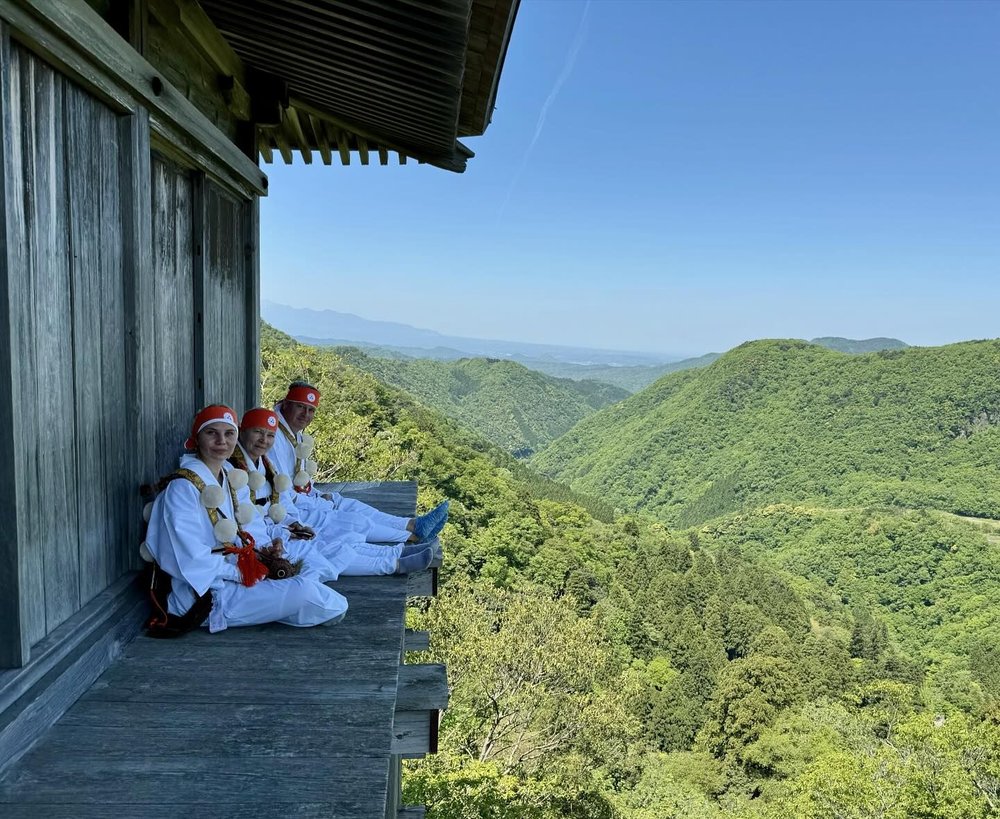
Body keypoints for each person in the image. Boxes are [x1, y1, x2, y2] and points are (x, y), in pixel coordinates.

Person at [143, 404, 349, 634]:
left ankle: (283, 607)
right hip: (205, 595)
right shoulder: (182, 488)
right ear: (196, 438)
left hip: (232, 575)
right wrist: (243, 573)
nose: (222, 441)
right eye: (211, 433)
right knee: (309, 593)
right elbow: (189, 557)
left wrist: (264, 552)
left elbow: (244, 530)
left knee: (310, 576)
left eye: (229, 433)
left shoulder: (226, 477)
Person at [229, 407, 434, 577]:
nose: (264, 440)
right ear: (243, 431)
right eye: (258, 432)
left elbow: (282, 499)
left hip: (280, 526)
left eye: (269, 435)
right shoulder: (235, 471)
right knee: (325, 549)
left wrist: (293, 523)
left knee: (339, 537)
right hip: (262, 540)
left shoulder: (265, 463)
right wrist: (276, 537)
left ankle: (398, 550)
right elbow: (248, 520)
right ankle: (394, 563)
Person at [270, 381, 449, 544]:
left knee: (349, 504)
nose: (306, 414)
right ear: (286, 404)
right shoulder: (273, 437)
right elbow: (283, 491)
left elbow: (299, 479)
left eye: (311, 410)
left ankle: (411, 525)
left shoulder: (292, 430)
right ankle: (413, 538)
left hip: (305, 498)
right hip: (287, 510)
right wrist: (315, 502)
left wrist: (317, 494)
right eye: (300, 407)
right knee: (353, 521)